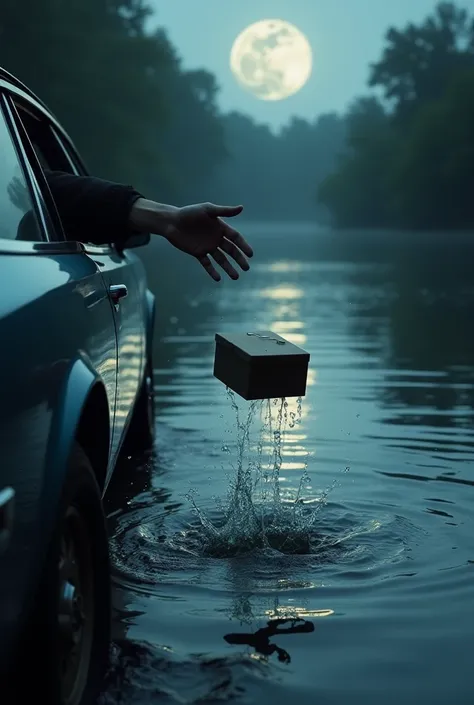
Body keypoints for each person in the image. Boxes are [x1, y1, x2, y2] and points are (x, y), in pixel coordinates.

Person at [45, 170, 253, 282]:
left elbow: (49, 190)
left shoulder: (28, 188)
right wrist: (169, 219)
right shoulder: (25, 188)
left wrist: (169, 220)